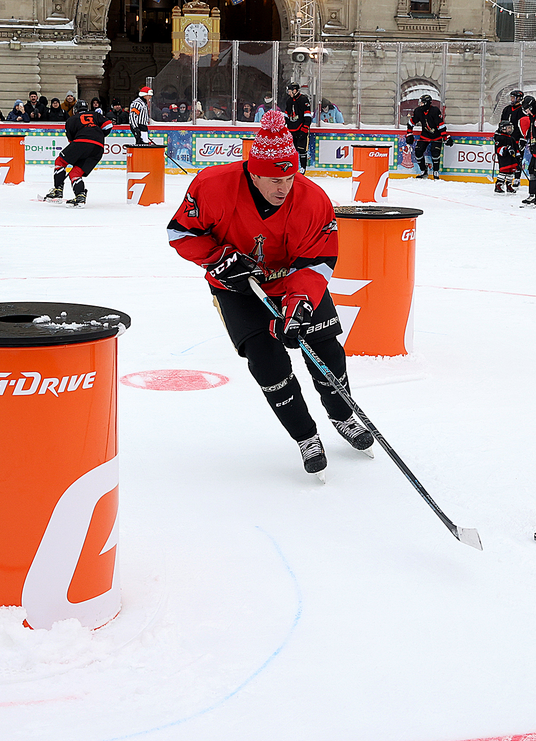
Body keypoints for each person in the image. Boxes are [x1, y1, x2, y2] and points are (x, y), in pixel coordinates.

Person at [166, 110, 374, 478]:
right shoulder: (213, 185)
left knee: (326, 350)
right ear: (253, 172)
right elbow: (180, 234)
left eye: (290, 177)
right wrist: (219, 260)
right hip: (240, 287)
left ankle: (342, 415)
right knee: (268, 364)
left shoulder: (313, 200)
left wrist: (298, 308)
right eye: (275, 179)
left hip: (295, 283)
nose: (284, 187)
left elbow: (318, 262)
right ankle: (305, 435)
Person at [44, 102, 114, 206]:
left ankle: (58, 190)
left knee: (60, 161)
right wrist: (99, 135)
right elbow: (108, 125)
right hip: (99, 146)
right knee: (75, 173)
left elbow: (71, 141)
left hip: (81, 142)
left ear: (75, 110)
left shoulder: (71, 120)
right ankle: (80, 196)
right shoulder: (95, 115)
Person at [406, 93, 451, 180]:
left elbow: (441, 125)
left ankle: (436, 172)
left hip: (436, 136)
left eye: (422, 103)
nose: (420, 105)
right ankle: (423, 171)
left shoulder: (435, 111)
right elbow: (411, 123)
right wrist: (409, 134)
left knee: (435, 153)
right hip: (425, 135)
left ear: (426, 103)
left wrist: (445, 137)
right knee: (418, 151)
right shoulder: (418, 111)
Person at [499, 89, 526, 190]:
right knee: (506, 159)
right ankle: (504, 180)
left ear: (519, 98)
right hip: (506, 139)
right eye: (511, 97)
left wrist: (523, 139)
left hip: (517, 139)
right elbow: (501, 124)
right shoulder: (506, 109)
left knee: (517, 159)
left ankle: (517, 179)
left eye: (513, 97)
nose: (511, 99)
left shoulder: (523, 110)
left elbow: (525, 126)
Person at [284, 82, 312, 173]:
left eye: (290, 91)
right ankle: (293, 167)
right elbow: (286, 115)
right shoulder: (288, 101)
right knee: (292, 150)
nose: (289, 93)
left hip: (301, 129)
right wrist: (283, 126)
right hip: (291, 129)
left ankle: (303, 168)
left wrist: (305, 128)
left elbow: (307, 116)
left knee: (302, 149)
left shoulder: (304, 100)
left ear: (295, 90)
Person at [492, 120, 521, 194]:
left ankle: (509, 185)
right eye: (508, 128)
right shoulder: (499, 138)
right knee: (504, 171)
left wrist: (518, 155)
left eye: (510, 128)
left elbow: (516, 148)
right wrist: (506, 149)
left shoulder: (511, 138)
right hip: (504, 159)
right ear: (503, 128)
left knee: (511, 172)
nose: (510, 129)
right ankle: (498, 185)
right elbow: (498, 149)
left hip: (512, 158)